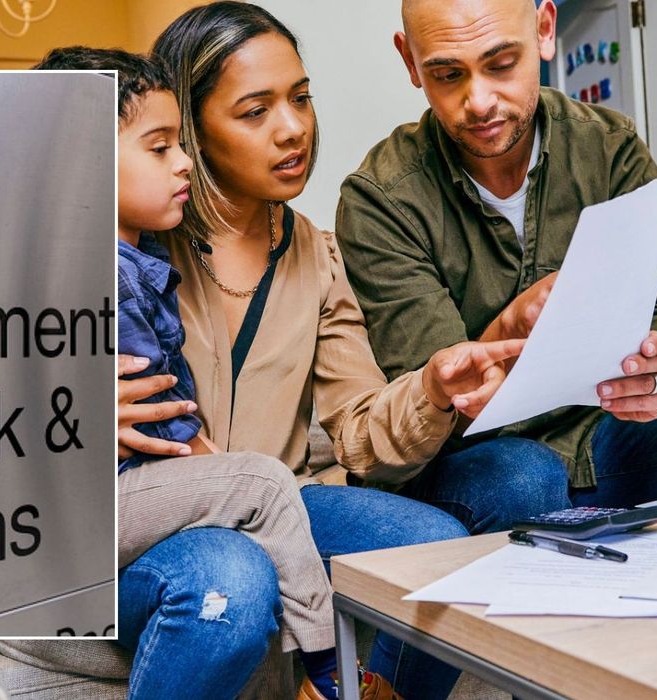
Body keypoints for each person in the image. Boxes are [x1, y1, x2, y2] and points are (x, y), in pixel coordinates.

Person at [116, 3, 529, 698]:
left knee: (438, 545)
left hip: (283, 500)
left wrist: (430, 389)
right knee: (229, 572)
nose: (293, 128)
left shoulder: (315, 252)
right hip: (162, 507)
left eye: (300, 99)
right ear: (190, 128)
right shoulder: (133, 236)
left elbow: (362, 431)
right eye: (254, 111)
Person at [334, 0, 657, 535]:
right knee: (522, 476)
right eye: (447, 74)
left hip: (604, 439)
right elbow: (433, 407)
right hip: (477, 461)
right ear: (410, 62)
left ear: (545, 30)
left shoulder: (610, 148)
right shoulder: (381, 198)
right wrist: (510, 326)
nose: (479, 101)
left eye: (502, 64)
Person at [36, 46, 349, 700]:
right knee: (258, 481)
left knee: (250, 488)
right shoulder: (101, 274)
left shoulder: (137, 260)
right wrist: (212, 467)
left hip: (125, 493)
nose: (184, 162)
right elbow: (161, 414)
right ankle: (323, 668)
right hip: (92, 505)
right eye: (158, 148)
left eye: (180, 143)